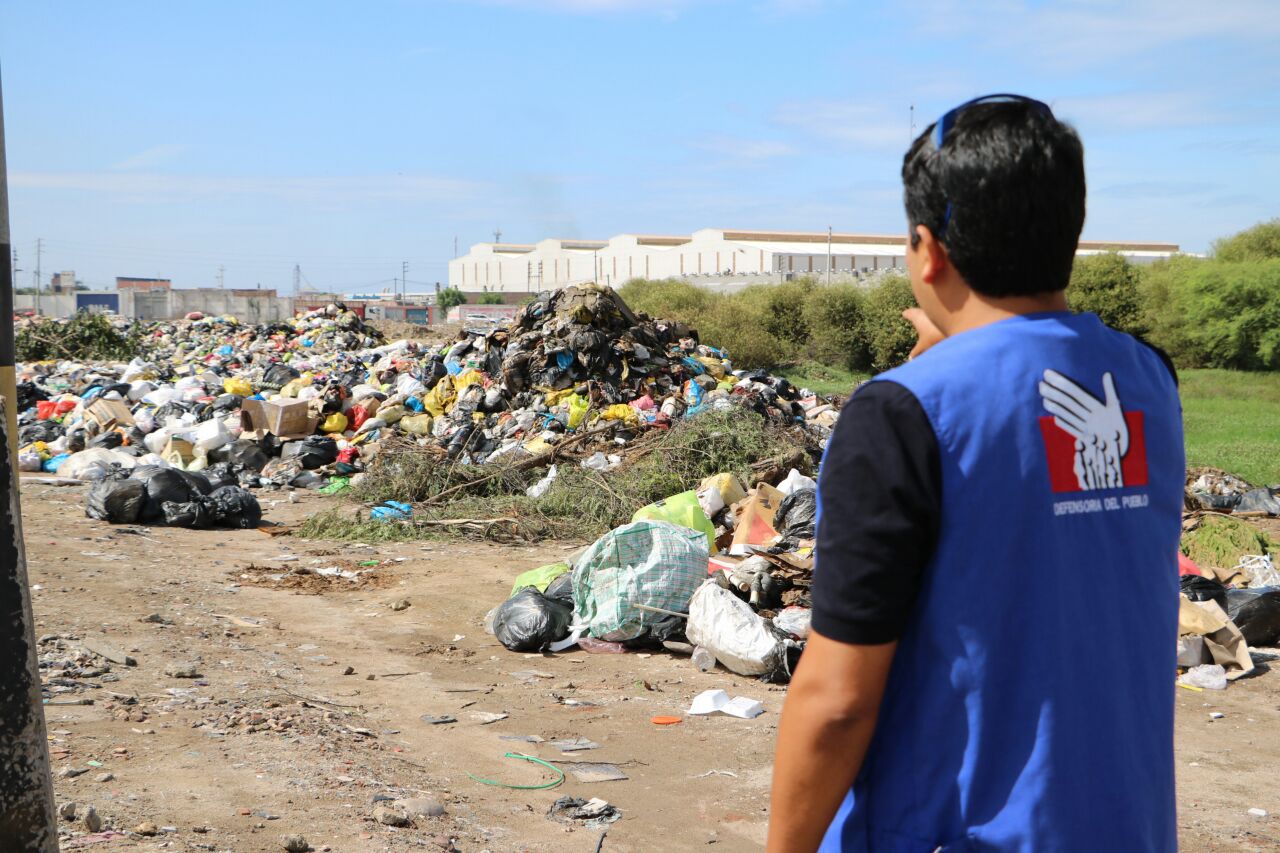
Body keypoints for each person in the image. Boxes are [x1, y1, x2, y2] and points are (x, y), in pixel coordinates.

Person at [767, 94, 1184, 852]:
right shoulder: (1149, 382)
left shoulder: (899, 416)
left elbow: (836, 702)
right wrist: (958, 350)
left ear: (928, 250)